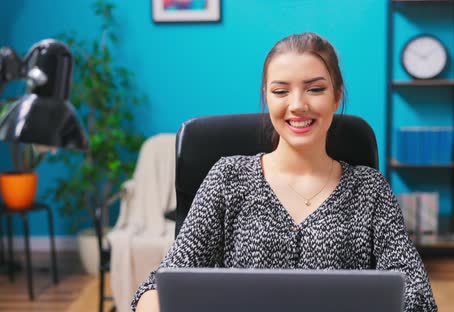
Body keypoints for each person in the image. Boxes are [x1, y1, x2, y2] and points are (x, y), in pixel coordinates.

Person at [132, 32, 438, 311]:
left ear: (337, 96)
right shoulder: (228, 178)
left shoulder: (369, 189)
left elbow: (418, 297)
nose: (297, 105)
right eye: (281, 91)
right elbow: (155, 288)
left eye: (315, 89)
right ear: (267, 95)